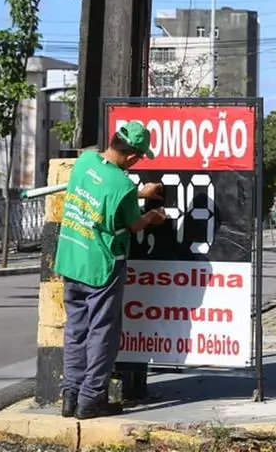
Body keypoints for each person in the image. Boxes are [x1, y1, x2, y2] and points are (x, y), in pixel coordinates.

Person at [53, 121, 169, 419]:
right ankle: (91, 400)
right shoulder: (123, 186)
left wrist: (139, 194)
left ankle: (71, 396)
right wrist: (153, 215)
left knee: (75, 330)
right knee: (102, 333)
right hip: (101, 267)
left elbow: (99, 194)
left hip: (71, 258)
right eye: (140, 157)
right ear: (132, 157)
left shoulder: (86, 162)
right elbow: (132, 225)